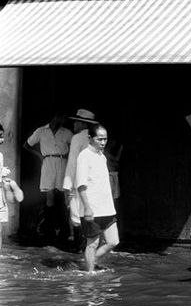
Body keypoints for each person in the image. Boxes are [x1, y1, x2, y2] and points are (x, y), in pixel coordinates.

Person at [75, 123, 119, 273]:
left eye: (105, 139)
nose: (103, 142)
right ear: (90, 138)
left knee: (113, 241)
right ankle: (89, 273)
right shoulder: (84, 156)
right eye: (99, 139)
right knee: (92, 243)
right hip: (92, 208)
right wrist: (87, 207)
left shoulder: (102, 157)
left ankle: (88, 262)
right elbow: (81, 185)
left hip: (106, 208)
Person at [23, 112, 73, 244]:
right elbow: (27, 145)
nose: (62, 119)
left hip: (62, 161)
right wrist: (39, 155)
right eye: (60, 116)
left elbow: (75, 145)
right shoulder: (41, 131)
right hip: (47, 162)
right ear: (53, 117)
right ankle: (49, 230)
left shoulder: (66, 132)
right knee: (49, 196)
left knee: (63, 194)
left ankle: (64, 231)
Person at [63, 109, 98, 249]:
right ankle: (91, 246)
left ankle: (80, 247)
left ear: (83, 124)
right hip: (92, 183)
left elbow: (72, 163)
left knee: (76, 216)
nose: (74, 125)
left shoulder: (77, 138)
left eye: (76, 122)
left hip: (79, 182)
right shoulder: (95, 138)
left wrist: (68, 185)